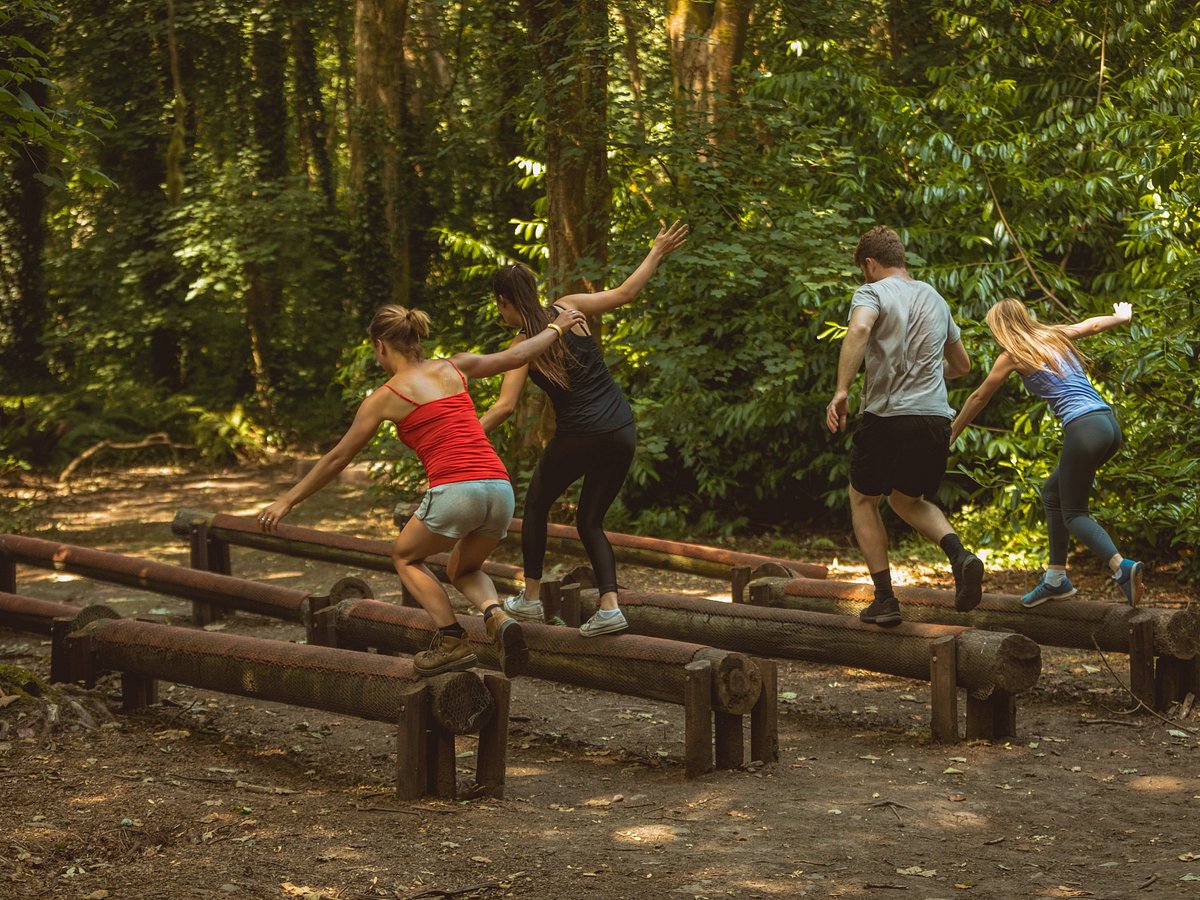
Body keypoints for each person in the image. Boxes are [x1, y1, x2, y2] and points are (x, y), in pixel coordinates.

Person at [257, 302, 586, 676]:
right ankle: (498, 618)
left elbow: (337, 459)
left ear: (381, 345)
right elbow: (517, 356)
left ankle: (451, 640)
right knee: (463, 568)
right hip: (499, 488)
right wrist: (557, 327)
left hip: (457, 490)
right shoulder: (454, 365)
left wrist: (287, 499)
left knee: (405, 557)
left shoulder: (384, 396)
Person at [481, 221, 690, 637]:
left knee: (537, 506)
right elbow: (626, 293)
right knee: (590, 521)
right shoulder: (568, 308)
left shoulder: (522, 345)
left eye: (499, 306)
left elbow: (504, 407)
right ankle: (609, 606)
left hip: (579, 436)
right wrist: (656, 251)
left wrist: (460, 434)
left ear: (505, 301)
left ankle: (531, 599)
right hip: (621, 428)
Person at [826, 225, 983, 626]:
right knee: (905, 499)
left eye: (863, 269)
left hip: (887, 416)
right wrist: (926, 373)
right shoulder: (935, 297)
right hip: (934, 418)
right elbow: (962, 366)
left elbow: (860, 328)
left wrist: (842, 390)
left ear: (870, 263)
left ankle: (884, 599)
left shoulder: (872, 293)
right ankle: (960, 556)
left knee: (863, 499)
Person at [950, 298, 1142, 607]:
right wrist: (1120, 317)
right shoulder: (1053, 335)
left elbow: (979, 396)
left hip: (1084, 429)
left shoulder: (1011, 356)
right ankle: (1056, 578)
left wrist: (953, 431)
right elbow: (1091, 325)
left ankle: (1121, 567)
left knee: (1075, 514)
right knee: (1052, 493)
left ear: (1000, 327)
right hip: (1108, 425)